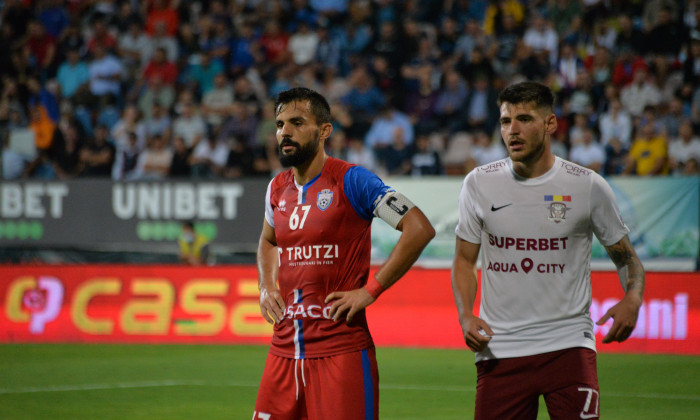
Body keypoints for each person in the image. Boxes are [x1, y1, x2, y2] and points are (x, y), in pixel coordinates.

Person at [451, 81, 645, 420]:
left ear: (550, 124)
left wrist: (632, 297)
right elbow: (464, 262)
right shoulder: (478, 184)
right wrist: (465, 314)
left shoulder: (586, 185)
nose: (513, 130)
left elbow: (627, 258)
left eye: (524, 119)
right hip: (500, 348)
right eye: (505, 121)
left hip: (569, 347)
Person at [254, 87, 435, 419]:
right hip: (282, 350)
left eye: (297, 122)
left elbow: (419, 227)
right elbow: (267, 241)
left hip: (340, 351)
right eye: (280, 125)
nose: (285, 132)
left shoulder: (353, 180)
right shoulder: (276, 188)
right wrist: (266, 286)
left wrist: (370, 291)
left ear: (325, 131)